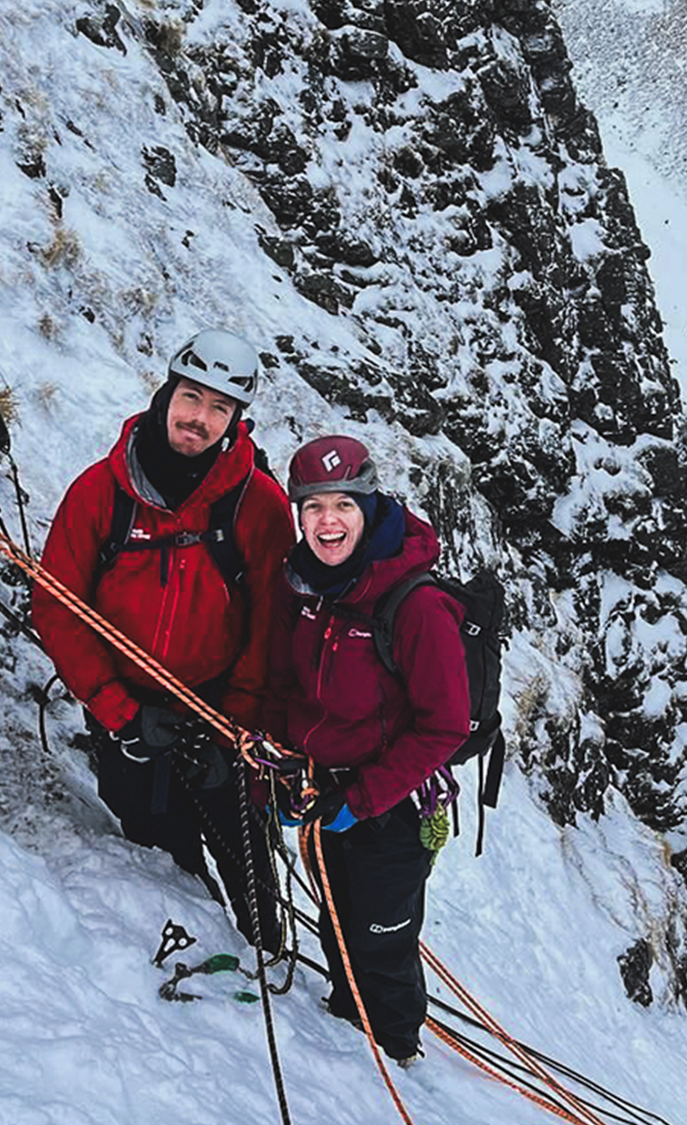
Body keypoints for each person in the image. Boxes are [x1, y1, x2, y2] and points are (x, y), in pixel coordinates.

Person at [32, 327, 293, 949]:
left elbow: (273, 623)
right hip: (126, 714)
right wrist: (120, 713)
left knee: (249, 868)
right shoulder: (102, 491)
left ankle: (269, 959)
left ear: (235, 420)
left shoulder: (257, 506)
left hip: (219, 711)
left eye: (220, 408)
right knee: (163, 863)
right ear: (168, 391)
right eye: (192, 397)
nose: (200, 419)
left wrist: (234, 722)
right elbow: (57, 606)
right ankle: (199, 961)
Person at [264, 434, 470, 1068]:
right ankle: (345, 1038)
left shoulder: (415, 605)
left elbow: (447, 726)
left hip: (392, 806)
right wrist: (283, 762)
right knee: (336, 919)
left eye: (344, 505)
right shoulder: (305, 587)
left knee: (382, 937)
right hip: (326, 790)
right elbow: (287, 687)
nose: (329, 522)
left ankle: (396, 1052)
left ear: (369, 505)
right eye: (314, 506)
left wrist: (362, 796)